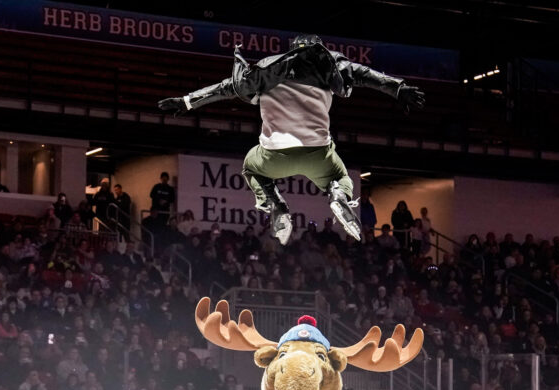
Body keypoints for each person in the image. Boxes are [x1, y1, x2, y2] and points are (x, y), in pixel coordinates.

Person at [159, 34, 425, 244]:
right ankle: (337, 195)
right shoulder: (329, 64)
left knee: (250, 167)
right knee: (342, 177)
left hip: (274, 156)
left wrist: (186, 102)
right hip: (318, 154)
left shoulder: (267, 68)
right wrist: (398, 89)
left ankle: (276, 204)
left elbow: (228, 87)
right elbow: (367, 76)